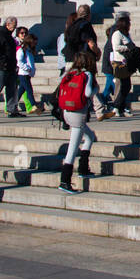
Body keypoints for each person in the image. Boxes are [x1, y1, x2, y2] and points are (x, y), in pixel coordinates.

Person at [54, 51, 99, 194]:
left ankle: (83, 168)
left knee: (90, 137)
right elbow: (88, 93)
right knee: (72, 149)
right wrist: (96, 89)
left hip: (66, 112)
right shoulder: (87, 75)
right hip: (78, 113)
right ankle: (65, 181)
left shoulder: (70, 73)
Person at [108, 12, 139, 116]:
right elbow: (116, 47)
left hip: (126, 62)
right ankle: (116, 107)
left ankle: (119, 107)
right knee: (125, 86)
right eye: (128, 22)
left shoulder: (125, 34)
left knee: (126, 86)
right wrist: (127, 48)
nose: (130, 24)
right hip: (120, 63)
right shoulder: (117, 34)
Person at [0, 16, 22, 118]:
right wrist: (4, 60)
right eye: (14, 26)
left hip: (11, 66)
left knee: (11, 88)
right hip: (2, 66)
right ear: (7, 24)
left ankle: (12, 109)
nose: (14, 28)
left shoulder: (9, 36)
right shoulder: (0, 35)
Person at [16, 27, 40, 115]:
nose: (35, 44)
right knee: (29, 90)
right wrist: (27, 68)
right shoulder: (22, 50)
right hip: (23, 73)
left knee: (21, 90)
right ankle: (34, 105)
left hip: (27, 74)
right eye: (34, 42)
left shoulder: (29, 50)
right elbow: (19, 62)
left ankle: (13, 105)